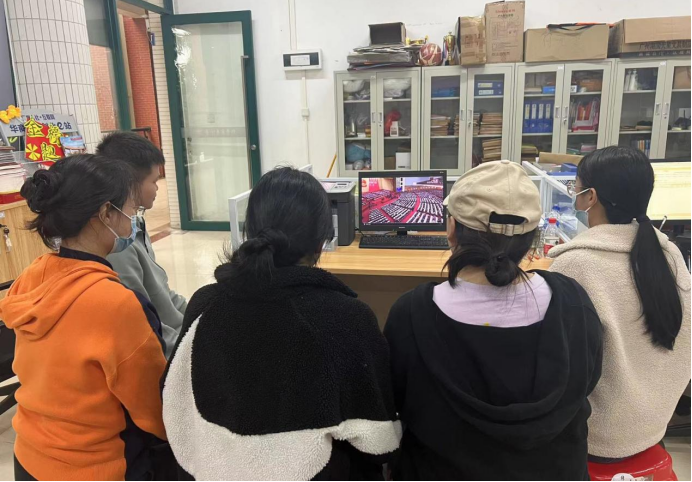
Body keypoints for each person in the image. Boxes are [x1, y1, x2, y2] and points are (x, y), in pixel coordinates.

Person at [162, 167, 401, 481]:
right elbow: (379, 443)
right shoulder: (349, 317)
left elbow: (174, 403)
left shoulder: (205, 304)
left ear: (250, 232)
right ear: (321, 242)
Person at [384, 161, 603, 481]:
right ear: (531, 238)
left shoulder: (410, 314)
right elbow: (589, 379)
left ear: (452, 230)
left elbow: (395, 402)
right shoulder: (573, 303)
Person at [0, 155, 168, 481]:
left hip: (29, 457)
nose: (133, 219)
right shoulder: (118, 305)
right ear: (106, 213)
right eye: (131, 210)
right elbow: (153, 411)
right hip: (97, 466)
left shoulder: (32, 276)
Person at [549, 146, 691, 462]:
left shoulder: (575, 263)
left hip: (598, 438)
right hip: (653, 425)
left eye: (575, 187)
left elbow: (556, 367)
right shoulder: (669, 254)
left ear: (590, 197)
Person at [97, 132, 187, 357]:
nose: (158, 188)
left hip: (176, 337)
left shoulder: (134, 225)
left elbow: (163, 293)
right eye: (154, 181)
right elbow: (142, 324)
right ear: (129, 183)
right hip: (164, 351)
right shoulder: (117, 244)